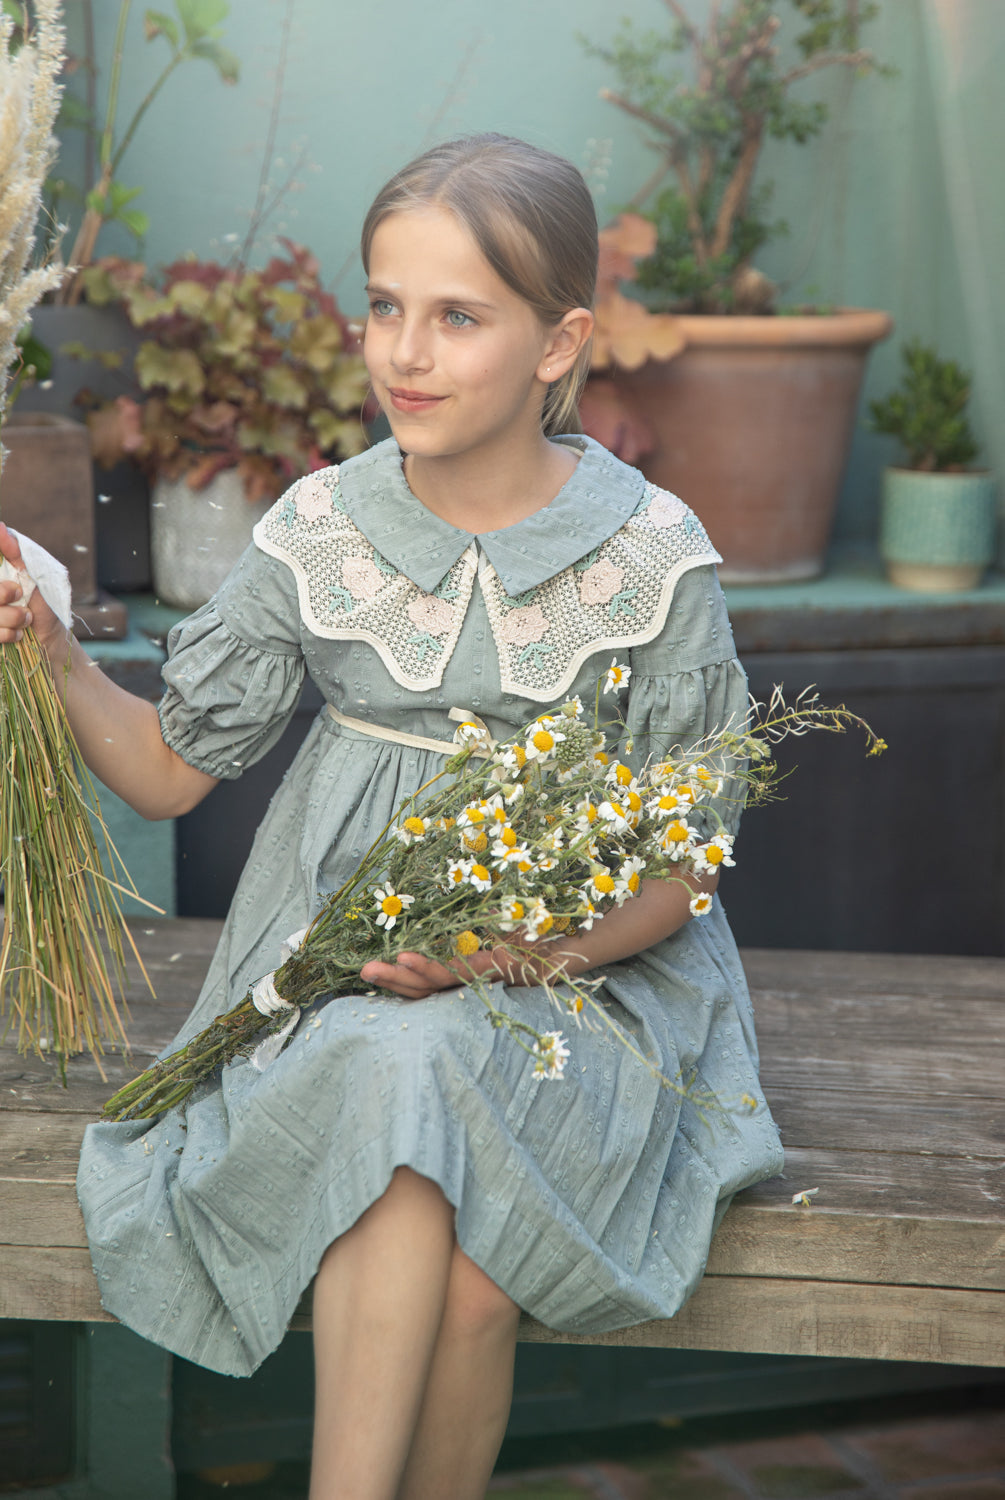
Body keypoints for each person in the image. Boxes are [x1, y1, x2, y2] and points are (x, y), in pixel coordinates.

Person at [0, 134, 783, 1500]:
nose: (405, 355)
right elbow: (171, 772)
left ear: (558, 344)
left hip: (583, 985)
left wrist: (510, 958)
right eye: (383, 307)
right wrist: (50, 649)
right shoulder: (324, 529)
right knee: (399, 1082)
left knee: (460, 1227)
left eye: (458, 317)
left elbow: (680, 868)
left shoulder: (647, 555)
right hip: (336, 964)